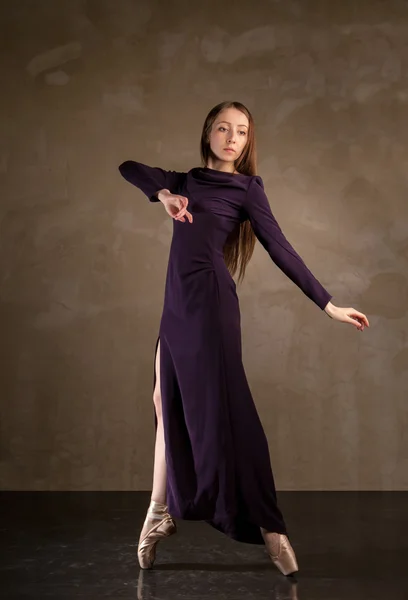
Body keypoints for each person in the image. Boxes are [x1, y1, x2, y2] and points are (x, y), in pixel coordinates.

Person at [118, 101, 370, 577]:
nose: (232, 138)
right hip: (176, 306)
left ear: (247, 141)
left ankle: (270, 529)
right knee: (162, 399)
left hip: (211, 305)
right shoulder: (186, 181)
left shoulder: (247, 189)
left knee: (228, 411)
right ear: (208, 134)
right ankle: (160, 512)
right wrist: (166, 194)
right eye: (223, 128)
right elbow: (128, 167)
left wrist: (329, 303)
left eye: (241, 132)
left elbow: (282, 248)